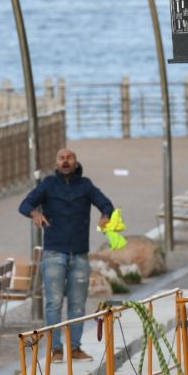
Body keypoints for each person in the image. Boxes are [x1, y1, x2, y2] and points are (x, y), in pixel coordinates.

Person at [19, 147, 114, 361]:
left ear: (76, 162)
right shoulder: (48, 185)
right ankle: (56, 350)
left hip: (79, 255)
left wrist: (105, 215)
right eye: (61, 158)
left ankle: (74, 348)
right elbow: (24, 205)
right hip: (54, 253)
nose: (65, 161)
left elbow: (106, 204)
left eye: (69, 158)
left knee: (77, 304)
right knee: (53, 303)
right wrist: (35, 213)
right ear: (56, 163)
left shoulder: (86, 185)